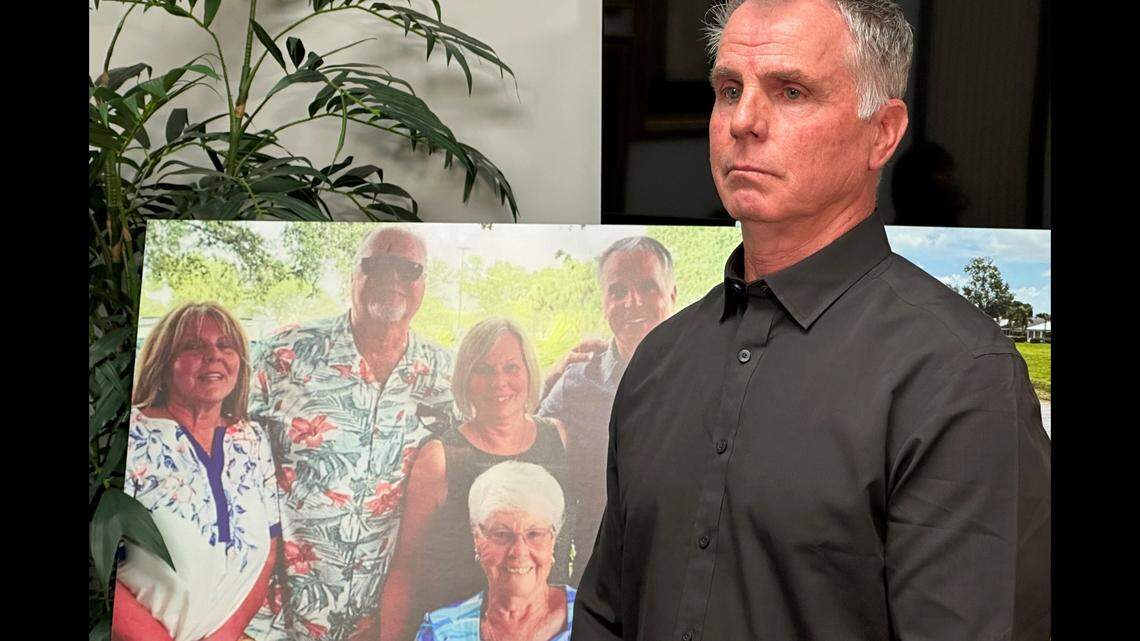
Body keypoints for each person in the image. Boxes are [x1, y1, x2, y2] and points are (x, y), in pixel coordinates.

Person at [572, 2, 1051, 641]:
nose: (743, 121)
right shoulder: (661, 358)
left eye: (791, 91)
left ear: (883, 133)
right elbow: (605, 613)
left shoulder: (958, 377)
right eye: (729, 89)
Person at [243, 227, 456, 641]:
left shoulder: (442, 373)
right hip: (274, 618)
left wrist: (557, 377)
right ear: (352, 275)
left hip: (375, 622)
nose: (391, 277)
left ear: (424, 283)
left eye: (408, 269)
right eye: (375, 264)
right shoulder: (283, 355)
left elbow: (497, 423)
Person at [379, 317, 571, 641]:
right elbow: (406, 569)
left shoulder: (558, 439)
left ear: (529, 372)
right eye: (484, 370)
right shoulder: (440, 459)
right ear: (466, 379)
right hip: (460, 631)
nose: (500, 381)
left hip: (549, 628)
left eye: (511, 368)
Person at [114, 302, 281, 641]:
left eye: (225, 345)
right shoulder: (128, 436)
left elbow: (269, 550)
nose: (214, 355)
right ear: (163, 363)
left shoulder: (251, 439)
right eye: (193, 346)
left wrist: (226, 635)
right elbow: (100, 566)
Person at [537, 237, 676, 583]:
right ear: (604, 302)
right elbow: (520, 435)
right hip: (597, 577)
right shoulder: (576, 383)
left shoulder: (708, 372)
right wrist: (549, 377)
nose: (633, 302)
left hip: (681, 575)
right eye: (618, 291)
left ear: (672, 294)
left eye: (648, 287)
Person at [414, 461, 576, 641]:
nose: (518, 551)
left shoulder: (592, 616)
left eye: (534, 534)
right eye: (502, 534)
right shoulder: (441, 630)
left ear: (552, 540)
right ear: (477, 539)